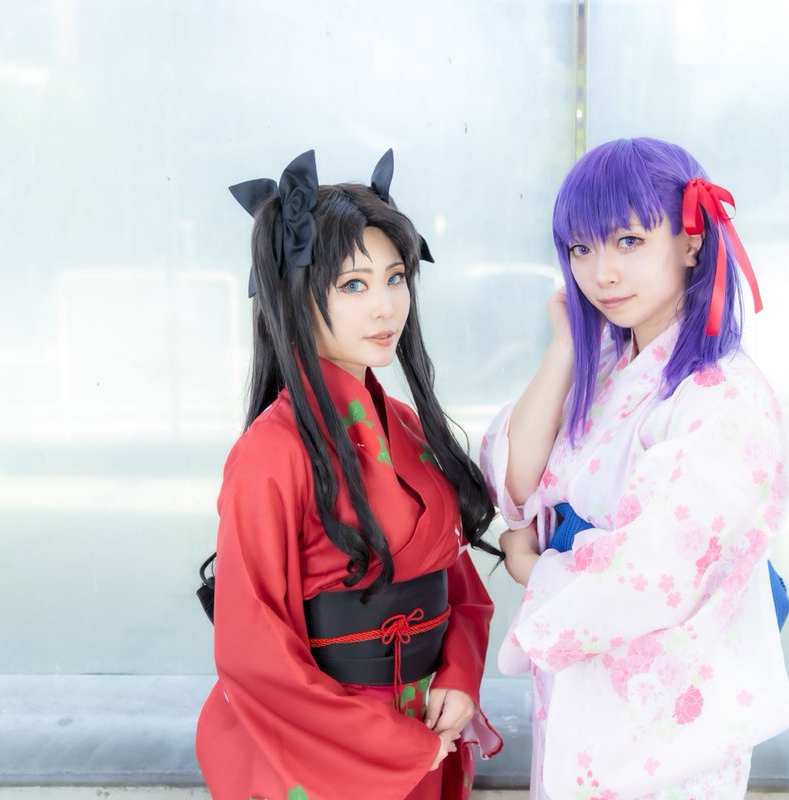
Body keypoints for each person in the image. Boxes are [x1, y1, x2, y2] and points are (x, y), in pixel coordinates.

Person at [479, 137, 789, 799]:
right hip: (586, 688)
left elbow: (656, 573)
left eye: (628, 242)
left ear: (691, 242)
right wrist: (565, 349)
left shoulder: (722, 395)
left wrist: (531, 566)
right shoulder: (603, 366)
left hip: (664, 714)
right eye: (581, 249)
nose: (602, 274)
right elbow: (514, 485)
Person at [196, 149, 501, 800]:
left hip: (426, 724)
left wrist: (458, 675)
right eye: (354, 286)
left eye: (396, 279)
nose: (386, 307)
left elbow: (457, 582)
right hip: (333, 749)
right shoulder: (271, 453)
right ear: (296, 296)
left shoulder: (408, 427)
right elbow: (252, 652)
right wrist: (391, 743)